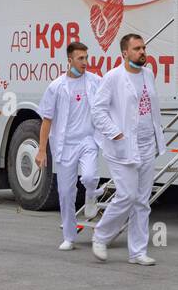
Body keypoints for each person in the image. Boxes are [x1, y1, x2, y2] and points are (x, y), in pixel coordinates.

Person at [89, 33, 165, 266]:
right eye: (137, 49)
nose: (142, 52)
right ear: (124, 53)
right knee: (127, 195)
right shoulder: (113, 77)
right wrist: (115, 132)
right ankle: (101, 236)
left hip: (146, 143)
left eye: (144, 48)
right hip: (121, 146)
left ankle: (137, 252)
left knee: (142, 201)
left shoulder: (148, 74)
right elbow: (97, 110)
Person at [36, 42, 104, 251]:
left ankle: (92, 194)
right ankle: (69, 236)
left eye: (86, 57)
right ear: (70, 60)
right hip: (65, 145)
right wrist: (41, 149)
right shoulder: (56, 87)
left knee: (90, 177)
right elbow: (47, 120)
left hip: (88, 141)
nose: (85, 62)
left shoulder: (95, 82)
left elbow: (109, 104)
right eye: (80, 58)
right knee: (65, 193)